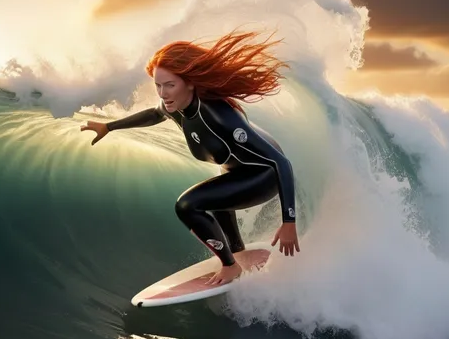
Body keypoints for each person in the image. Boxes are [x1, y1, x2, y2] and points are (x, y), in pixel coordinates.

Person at [81, 30, 300, 285]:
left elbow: (280, 163)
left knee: (187, 205)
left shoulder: (221, 116)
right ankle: (238, 254)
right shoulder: (175, 105)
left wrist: (289, 222)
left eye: (170, 85)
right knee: (215, 196)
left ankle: (230, 267)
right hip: (236, 171)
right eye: (158, 85)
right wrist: (109, 127)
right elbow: (154, 113)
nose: (162, 93)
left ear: (190, 83)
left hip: (264, 176)